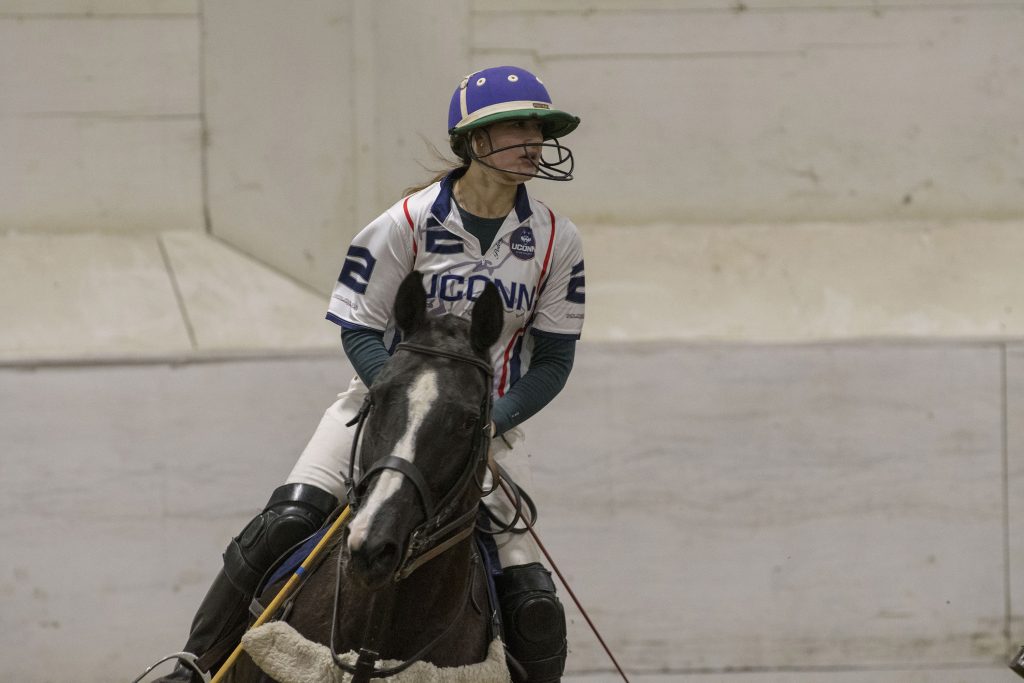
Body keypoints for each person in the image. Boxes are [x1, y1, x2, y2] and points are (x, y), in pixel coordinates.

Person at [157, 65, 584, 683]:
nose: (533, 141)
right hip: (377, 409)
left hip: (483, 426)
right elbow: (357, 327)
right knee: (287, 520)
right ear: (475, 141)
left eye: (538, 129)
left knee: (532, 593)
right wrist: (397, 398)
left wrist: (489, 420)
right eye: (516, 126)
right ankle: (193, 667)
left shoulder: (554, 240)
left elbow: (554, 360)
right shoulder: (405, 223)